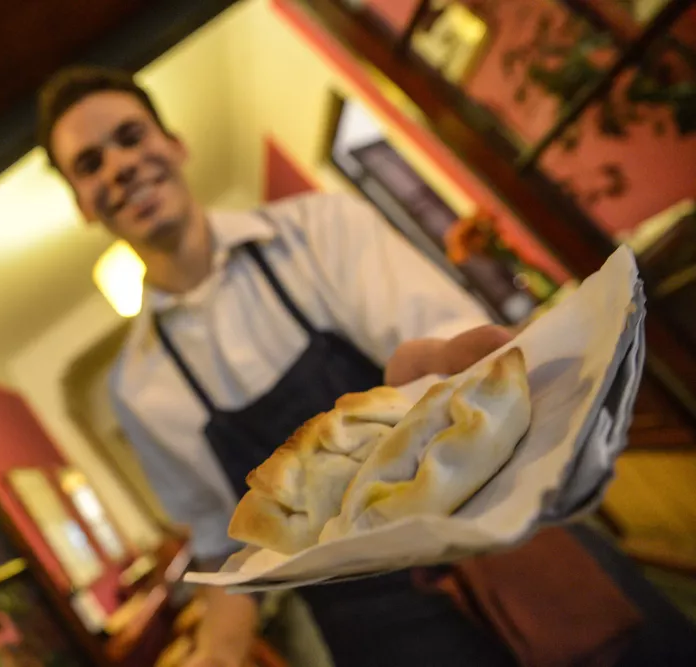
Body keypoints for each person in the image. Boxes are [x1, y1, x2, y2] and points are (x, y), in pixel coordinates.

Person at [37, 66, 696, 667]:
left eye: (131, 136)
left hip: (482, 519)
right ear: (81, 203)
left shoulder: (321, 229)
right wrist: (218, 651)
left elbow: (435, 344)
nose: (120, 166)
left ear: (173, 144)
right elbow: (222, 540)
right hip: (369, 625)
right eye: (90, 164)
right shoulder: (139, 389)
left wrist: (443, 362)